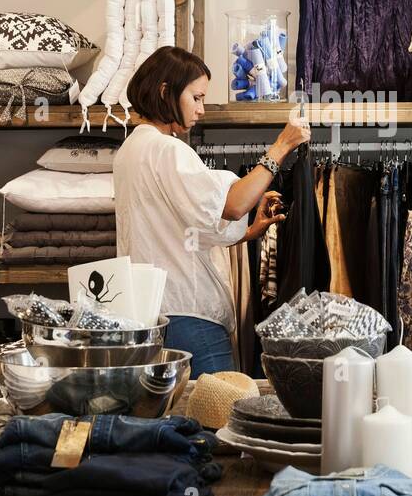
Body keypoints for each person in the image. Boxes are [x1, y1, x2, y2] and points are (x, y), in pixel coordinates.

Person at [114, 46, 310, 376]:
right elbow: (233, 206)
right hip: (188, 316)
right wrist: (283, 145)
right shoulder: (167, 150)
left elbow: (183, 231)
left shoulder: (130, 151)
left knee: (178, 418)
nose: (202, 109)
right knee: (218, 417)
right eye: (196, 97)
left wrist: (250, 231)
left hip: (151, 314)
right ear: (166, 92)